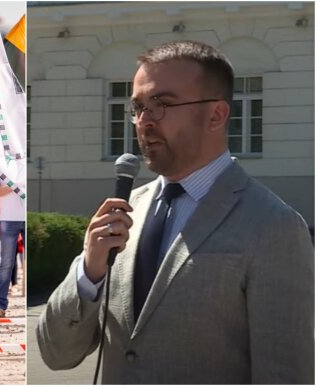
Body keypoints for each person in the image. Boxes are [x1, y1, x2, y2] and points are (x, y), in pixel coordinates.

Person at [36, 41, 314, 384]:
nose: (143, 122)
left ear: (216, 114)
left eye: (162, 104)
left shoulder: (274, 226)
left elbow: (285, 374)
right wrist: (89, 273)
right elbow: (56, 354)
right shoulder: (123, 214)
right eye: (138, 107)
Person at [0, 168, 26, 318]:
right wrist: (14, 186)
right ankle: (0, 306)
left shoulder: (23, 162)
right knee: (6, 263)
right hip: (8, 219)